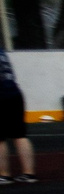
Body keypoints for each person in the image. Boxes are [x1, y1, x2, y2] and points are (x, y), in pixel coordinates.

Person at [0, 37, 30, 184]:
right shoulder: (2, 52)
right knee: (20, 135)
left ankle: (4, 174)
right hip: (14, 94)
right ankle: (29, 173)